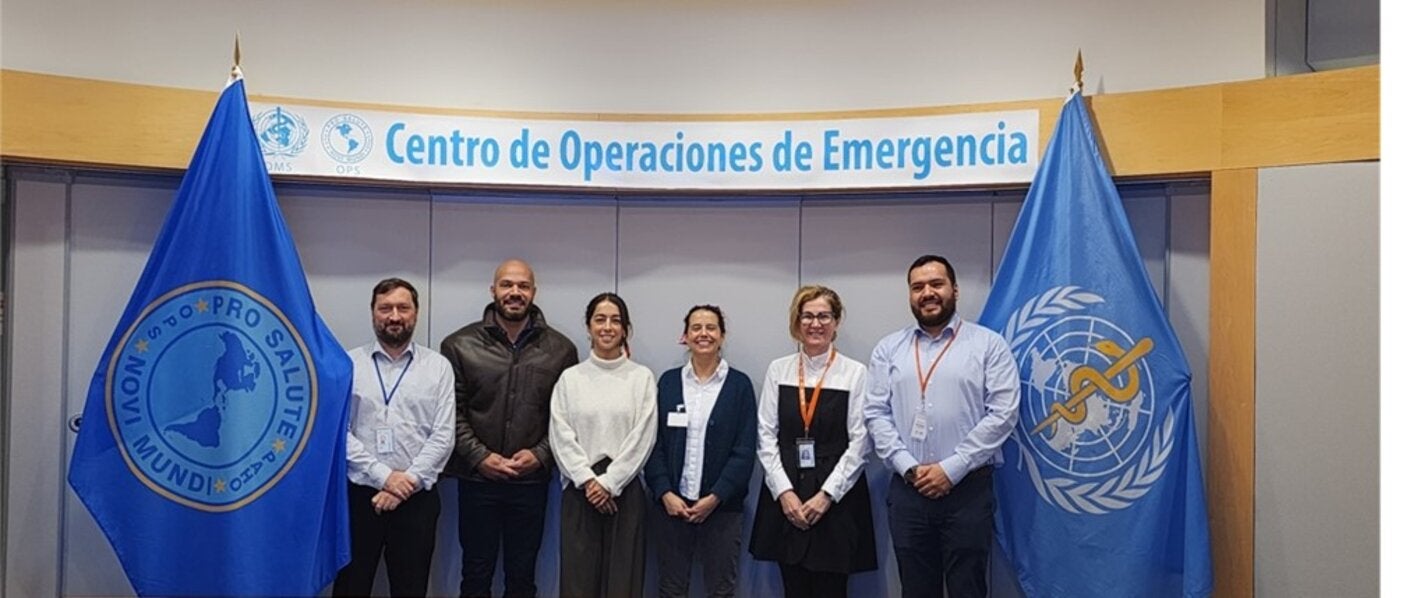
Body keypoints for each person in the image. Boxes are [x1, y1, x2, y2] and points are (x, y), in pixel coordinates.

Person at [863, 255, 1021, 598]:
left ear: (955, 290)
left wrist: (952, 468)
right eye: (918, 287)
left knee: (968, 589)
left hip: (968, 491)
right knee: (916, 590)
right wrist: (909, 467)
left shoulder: (988, 345)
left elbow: (1003, 414)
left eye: (936, 284)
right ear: (910, 295)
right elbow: (875, 413)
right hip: (908, 491)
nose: (927, 293)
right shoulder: (889, 349)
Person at [441, 259, 579, 598]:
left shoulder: (561, 350)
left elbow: (567, 417)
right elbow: (451, 414)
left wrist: (541, 454)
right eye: (507, 285)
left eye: (522, 286)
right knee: (475, 574)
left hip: (530, 482)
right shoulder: (459, 345)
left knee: (522, 576)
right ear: (493, 291)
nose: (514, 292)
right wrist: (480, 457)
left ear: (533, 291)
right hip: (477, 481)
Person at [749, 285, 877, 598]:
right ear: (797, 322)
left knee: (833, 590)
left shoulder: (855, 373)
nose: (815, 324)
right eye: (807, 316)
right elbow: (765, 436)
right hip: (787, 496)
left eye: (823, 316)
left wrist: (826, 496)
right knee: (793, 589)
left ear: (836, 322)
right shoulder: (778, 369)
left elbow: (861, 442)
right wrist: (785, 493)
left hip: (837, 500)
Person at [334, 278, 455, 598]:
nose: (394, 316)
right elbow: (339, 434)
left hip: (417, 500)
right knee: (351, 586)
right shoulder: (348, 365)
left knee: (411, 588)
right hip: (360, 497)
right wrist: (385, 477)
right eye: (385, 308)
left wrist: (405, 484)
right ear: (373, 313)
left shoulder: (438, 367)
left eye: (403, 307)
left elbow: (443, 436)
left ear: (416, 313)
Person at [643, 305, 758, 598]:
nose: (703, 333)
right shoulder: (668, 382)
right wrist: (665, 493)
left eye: (711, 327)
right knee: (670, 589)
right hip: (671, 509)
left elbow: (744, 451)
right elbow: (653, 443)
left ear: (722, 336)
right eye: (696, 327)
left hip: (722, 510)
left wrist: (715, 497)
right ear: (685, 336)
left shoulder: (739, 385)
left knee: (721, 590)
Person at [549, 292, 658, 598]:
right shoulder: (570, 379)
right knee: (578, 583)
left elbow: (643, 435)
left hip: (624, 490)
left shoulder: (641, 378)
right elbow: (561, 434)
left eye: (615, 320)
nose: (607, 327)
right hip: (580, 489)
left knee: (623, 583)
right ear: (588, 327)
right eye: (600, 319)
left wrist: (610, 483)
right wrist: (588, 481)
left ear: (625, 329)